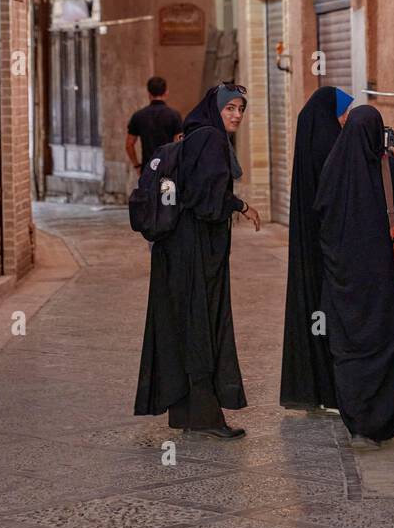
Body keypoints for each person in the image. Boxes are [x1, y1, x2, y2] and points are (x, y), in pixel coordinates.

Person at [134, 83, 261, 440]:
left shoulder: (197, 136)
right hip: (194, 252)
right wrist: (238, 206)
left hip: (178, 249)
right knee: (202, 325)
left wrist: (234, 204)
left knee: (187, 325)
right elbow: (206, 201)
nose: (236, 115)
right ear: (215, 110)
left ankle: (191, 412)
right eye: (230, 108)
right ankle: (205, 417)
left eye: (240, 109)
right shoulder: (211, 141)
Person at [315, 104, 394, 448]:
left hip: (345, 282)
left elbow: (322, 220)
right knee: (387, 345)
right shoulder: (390, 172)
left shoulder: (332, 171)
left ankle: (356, 423)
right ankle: (380, 424)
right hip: (385, 281)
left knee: (348, 348)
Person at [280, 85, 354, 413]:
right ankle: (331, 390)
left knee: (315, 313)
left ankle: (316, 389)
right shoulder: (330, 145)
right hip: (329, 246)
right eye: (342, 112)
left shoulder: (313, 140)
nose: (345, 119)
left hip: (311, 245)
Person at [126, 76, 183, 175]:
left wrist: (137, 165)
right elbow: (180, 143)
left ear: (149, 93)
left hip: (147, 170)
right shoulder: (174, 115)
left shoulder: (138, 116)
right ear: (166, 92)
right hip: (168, 170)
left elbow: (129, 144)